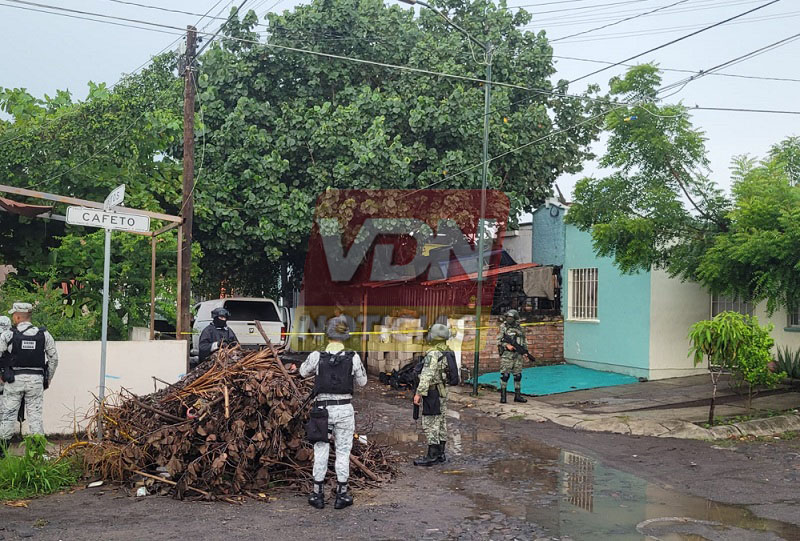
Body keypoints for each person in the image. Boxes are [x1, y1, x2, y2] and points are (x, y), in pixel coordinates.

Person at [299, 315, 367, 510]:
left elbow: (303, 372)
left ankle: (317, 495)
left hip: (322, 410)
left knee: (321, 450)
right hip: (345, 410)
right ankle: (342, 495)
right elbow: (362, 382)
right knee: (343, 452)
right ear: (346, 336)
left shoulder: (316, 356)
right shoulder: (353, 357)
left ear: (326, 334)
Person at [0, 302, 58, 455]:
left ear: (17, 317)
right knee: (35, 417)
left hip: (14, 380)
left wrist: (1, 375)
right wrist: (48, 378)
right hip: (36, 381)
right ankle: (37, 453)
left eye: (14, 315)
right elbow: (54, 359)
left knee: (8, 416)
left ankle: (2, 454)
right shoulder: (44, 334)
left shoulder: (8, 335)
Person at [413, 323, 453, 467]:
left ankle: (432, 456)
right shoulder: (448, 351)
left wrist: (418, 393)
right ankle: (441, 454)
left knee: (430, 423)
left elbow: (426, 375)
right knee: (441, 422)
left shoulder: (433, 353)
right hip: (443, 391)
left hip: (432, 392)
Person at [498, 309, 528, 404]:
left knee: (518, 375)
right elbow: (499, 340)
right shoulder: (503, 327)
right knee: (505, 375)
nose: (509, 319)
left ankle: (517, 396)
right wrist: (506, 345)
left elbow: (523, 341)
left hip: (518, 355)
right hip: (507, 355)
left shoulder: (520, 328)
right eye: (508, 317)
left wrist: (525, 352)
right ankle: (503, 397)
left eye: (511, 317)